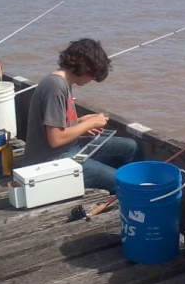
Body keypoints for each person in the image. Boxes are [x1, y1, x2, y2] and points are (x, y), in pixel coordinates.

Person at [23, 38, 139, 194]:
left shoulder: (64, 82)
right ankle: (120, 194)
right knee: (123, 183)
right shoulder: (55, 87)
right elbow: (55, 139)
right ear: (85, 67)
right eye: (93, 75)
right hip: (51, 162)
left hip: (70, 148)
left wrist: (79, 122)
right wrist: (90, 124)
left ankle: (111, 186)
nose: (92, 80)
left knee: (130, 147)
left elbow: (53, 125)